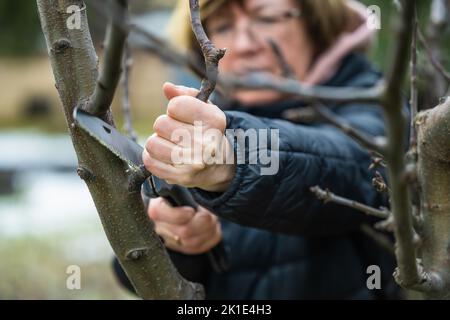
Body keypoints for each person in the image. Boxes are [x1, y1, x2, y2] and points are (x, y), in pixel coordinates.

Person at [114, 0, 403, 299]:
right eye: (224, 26)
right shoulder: (202, 131)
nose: (243, 44)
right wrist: (174, 240)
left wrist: (235, 156)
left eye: (267, 18)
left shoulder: (373, 103)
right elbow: (135, 273)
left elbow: (354, 165)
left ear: (316, 25)